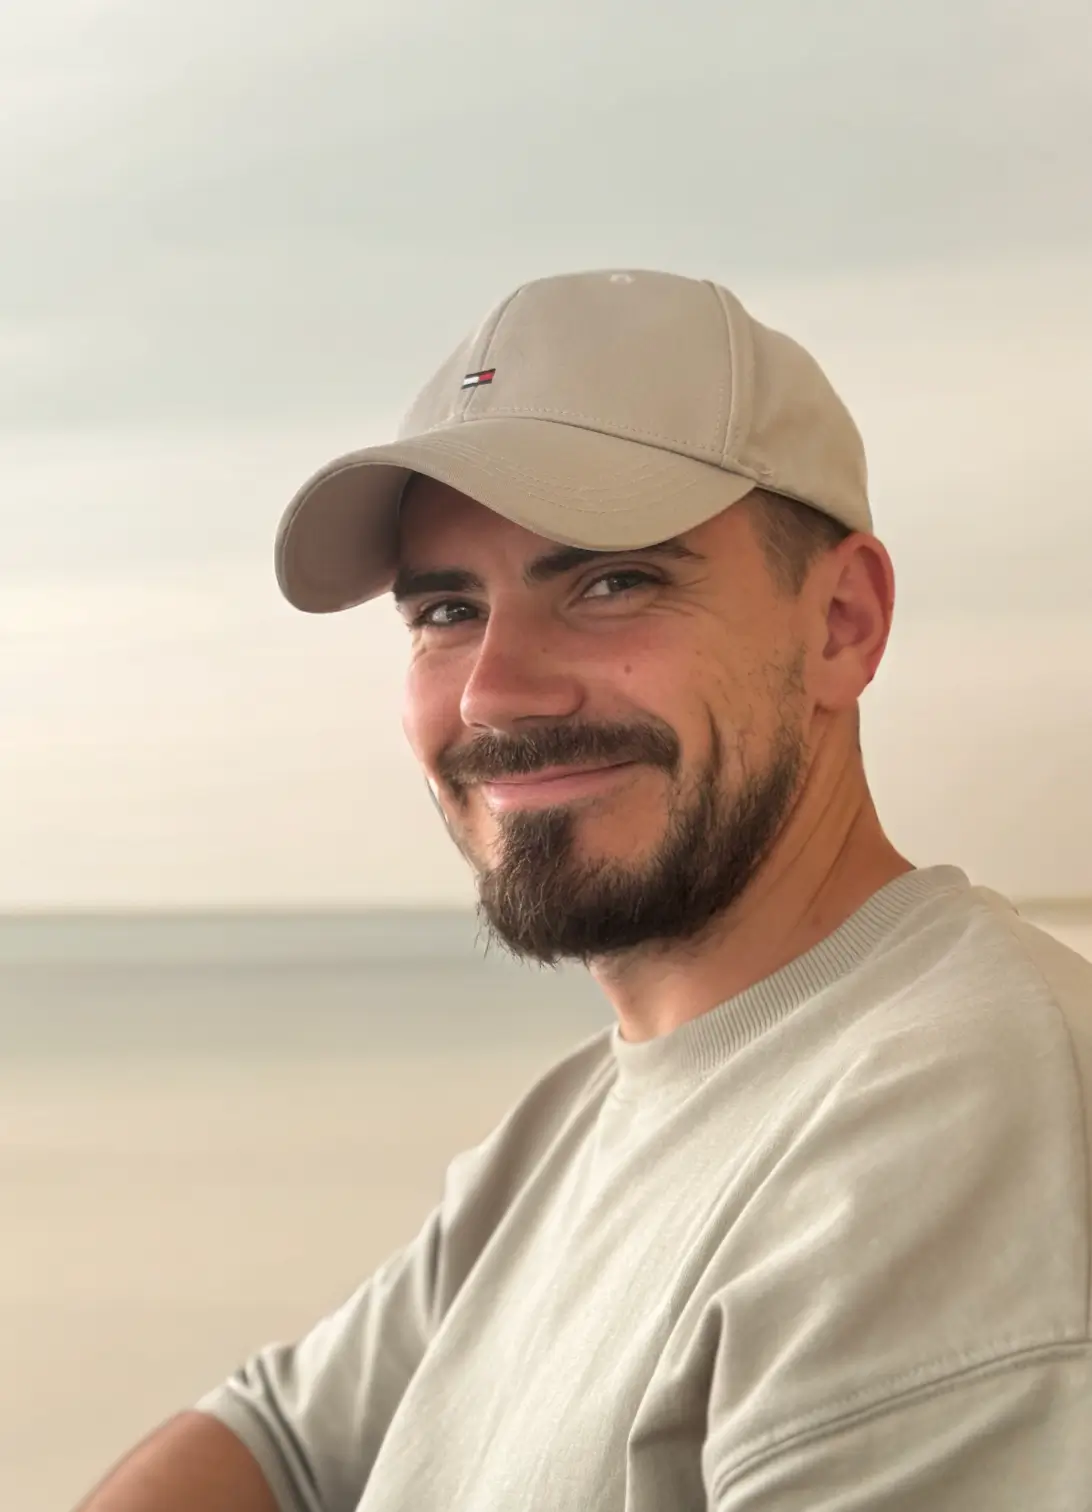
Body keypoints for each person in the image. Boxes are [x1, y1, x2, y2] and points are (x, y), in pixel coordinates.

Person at [77, 269, 1092, 1512]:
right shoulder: (578, 1124)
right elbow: (278, 1446)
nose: (497, 691)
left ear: (841, 625)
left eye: (611, 582)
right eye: (448, 609)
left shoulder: (955, 1125)